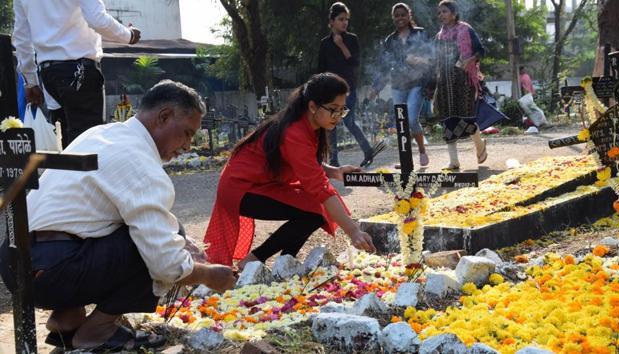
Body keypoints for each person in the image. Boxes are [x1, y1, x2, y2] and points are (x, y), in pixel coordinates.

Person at [0, 81, 236, 351]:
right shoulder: (141, 164)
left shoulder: (102, 133)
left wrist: (179, 237)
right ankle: (96, 330)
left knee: (156, 229)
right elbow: (165, 264)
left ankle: (67, 318)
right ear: (164, 116)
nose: (187, 146)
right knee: (152, 246)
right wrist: (208, 275)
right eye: (186, 133)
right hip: (51, 273)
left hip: (13, 261)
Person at [204, 73, 376, 269]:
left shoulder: (308, 124)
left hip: (260, 184)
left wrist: (335, 172)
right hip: (242, 189)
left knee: (313, 208)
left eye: (342, 110)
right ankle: (253, 261)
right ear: (312, 106)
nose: (338, 117)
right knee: (314, 208)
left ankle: (285, 265)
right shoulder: (295, 131)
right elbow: (319, 188)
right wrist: (353, 231)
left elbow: (306, 164)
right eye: (333, 110)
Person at [12, 0, 142, 148]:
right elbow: (97, 20)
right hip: (80, 71)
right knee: (87, 145)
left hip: (49, 74)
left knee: (65, 144)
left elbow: (21, 36)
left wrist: (30, 80)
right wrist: (129, 35)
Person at [369, 2, 432, 167]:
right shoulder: (390, 40)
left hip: (416, 83)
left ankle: (422, 150)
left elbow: (431, 56)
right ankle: (406, 159)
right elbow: (384, 65)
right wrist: (376, 87)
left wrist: (420, 60)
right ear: (393, 18)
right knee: (401, 122)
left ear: (409, 15)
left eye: (403, 14)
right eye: (396, 15)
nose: (400, 18)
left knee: (411, 119)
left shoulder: (420, 34)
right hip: (398, 85)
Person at [318, 2, 376, 167]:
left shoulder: (351, 39)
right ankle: (334, 160)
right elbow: (321, 69)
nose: (344, 22)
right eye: (340, 19)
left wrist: (341, 45)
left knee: (348, 121)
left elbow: (355, 63)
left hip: (348, 90)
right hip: (330, 91)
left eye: (346, 19)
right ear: (331, 21)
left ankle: (367, 151)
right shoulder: (324, 43)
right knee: (332, 124)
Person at [434, 0, 488, 170]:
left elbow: (481, 51)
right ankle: (454, 161)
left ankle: (480, 146)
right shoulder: (439, 36)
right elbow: (437, 61)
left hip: (464, 81)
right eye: (439, 12)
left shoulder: (466, 29)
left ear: (454, 13)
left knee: (466, 118)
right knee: (448, 120)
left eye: (444, 11)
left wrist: (470, 60)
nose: (441, 15)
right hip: (445, 83)